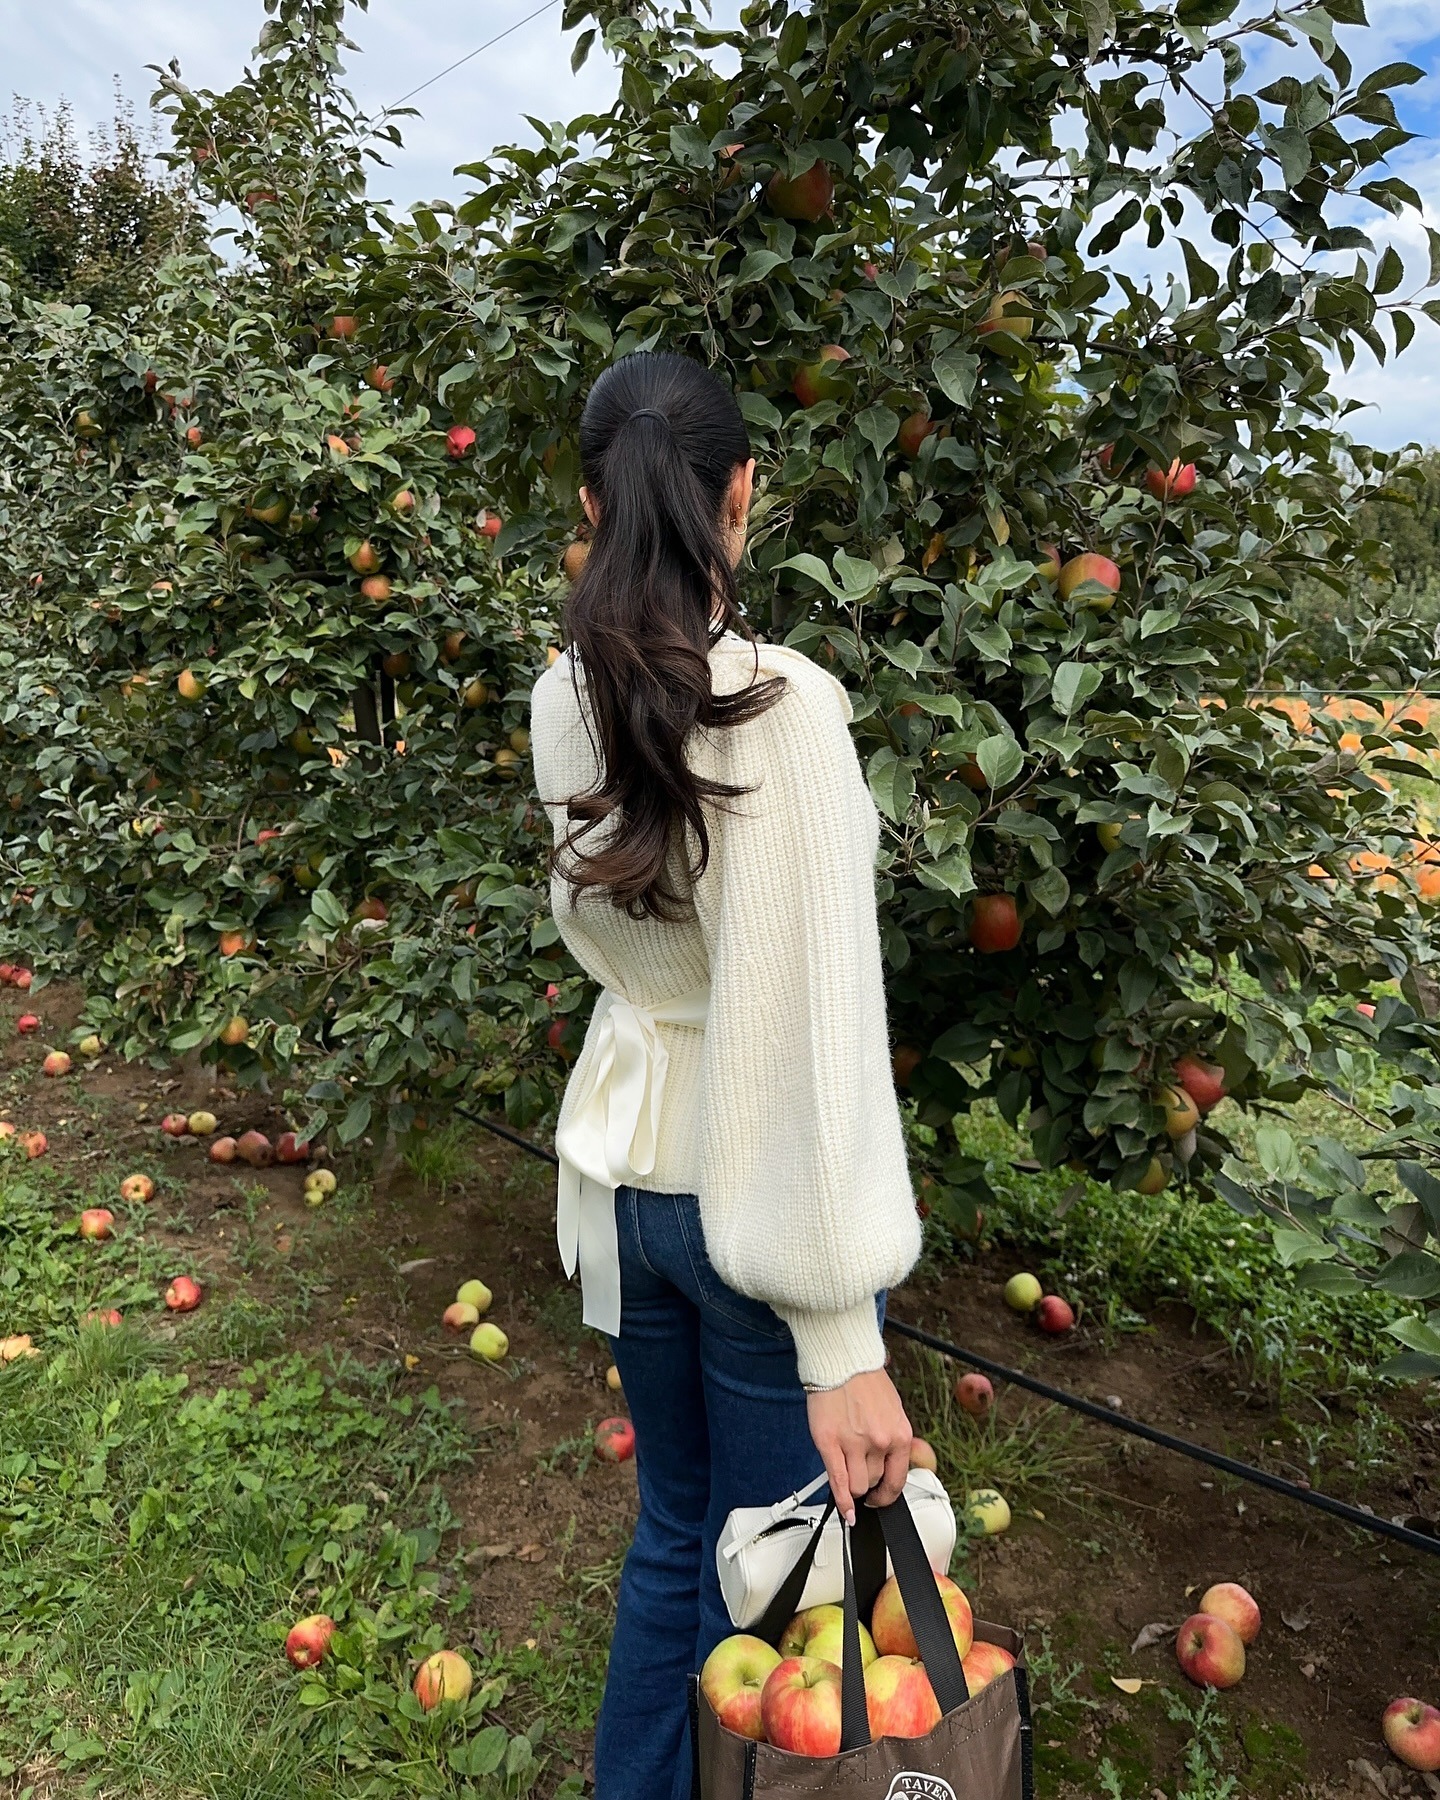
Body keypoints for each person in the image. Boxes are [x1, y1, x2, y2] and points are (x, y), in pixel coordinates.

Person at [527, 350, 922, 1800]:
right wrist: (843, 1341)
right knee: (774, 1606)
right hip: (755, 1211)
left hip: (628, 1183)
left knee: (679, 1534)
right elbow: (804, 1035)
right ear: (743, 492)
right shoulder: (782, 710)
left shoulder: (563, 695)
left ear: (589, 498)